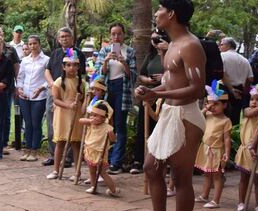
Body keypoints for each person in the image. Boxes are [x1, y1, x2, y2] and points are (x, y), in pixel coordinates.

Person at [133, 0, 206, 211]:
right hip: (169, 114)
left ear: (172, 14)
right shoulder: (172, 44)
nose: (156, 14)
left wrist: (158, 94)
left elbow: (198, 89)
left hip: (186, 116)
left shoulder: (190, 45)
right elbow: (172, 80)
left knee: (180, 176)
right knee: (152, 167)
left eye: (160, 9)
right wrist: (152, 88)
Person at [93, 23, 137, 174]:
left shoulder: (129, 51)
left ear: (124, 35)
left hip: (122, 90)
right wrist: (106, 61)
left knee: (119, 125)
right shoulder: (105, 50)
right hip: (107, 89)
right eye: (113, 34)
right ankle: (105, 158)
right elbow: (99, 73)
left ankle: (116, 162)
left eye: (119, 34)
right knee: (105, 122)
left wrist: (123, 62)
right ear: (110, 35)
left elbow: (133, 76)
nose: (116, 37)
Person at [43, 28, 86, 165]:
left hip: (71, 92)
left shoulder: (76, 53)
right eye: (62, 36)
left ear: (72, 38)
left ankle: (67, 158)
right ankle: (54, 155)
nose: (64, 38)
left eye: (67, 36)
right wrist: (52, 84)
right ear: (58, 39)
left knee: (70, 127)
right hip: (55, 90)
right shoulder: (55, 53)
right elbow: (47, 70)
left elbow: (82, 73)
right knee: (53, 124)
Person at [133, 31, 170, 174]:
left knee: (161, 126)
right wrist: (147, 81)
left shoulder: (170, 55)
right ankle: (139, 159)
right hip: (149, 95)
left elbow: (175, 74)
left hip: (165, 95)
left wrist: (164, 77)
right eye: (153, 39)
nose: (156, 41)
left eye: (159, 38)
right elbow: (141, 74)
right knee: (144, 127)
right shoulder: (151, 56)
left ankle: (162, 161)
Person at [193, 82, 232, 208]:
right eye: (210, 104)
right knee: (207, 173)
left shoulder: (225, 121)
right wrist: (206, 108)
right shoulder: (208, 115)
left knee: (217, 176)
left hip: (216, 152)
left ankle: (216, 200)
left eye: (216, 104)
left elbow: (227, 138)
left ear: (224, 105)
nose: (213, 107)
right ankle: (204, 195)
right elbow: (198, 116)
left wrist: (227, 152)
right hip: (205, 149)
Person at [235, 84, 258, 211]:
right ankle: (241, 202)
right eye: (252, 99)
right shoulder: (247, 112)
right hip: (246, 151)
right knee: (244, 178)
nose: (254, 102)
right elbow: (250, 113)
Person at [48, 49, 84, 179]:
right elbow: (56, 100)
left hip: (76, 114)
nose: (72, 68)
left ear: (78, 67)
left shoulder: (81, 82)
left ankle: (77, 172)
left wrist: (81, 101)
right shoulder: (58, 82)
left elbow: (84, 98)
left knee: (75, 143)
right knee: (60, 142)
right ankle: (56, 170)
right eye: (68, 65)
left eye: (75, 65)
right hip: (62, 114)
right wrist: (68, 105)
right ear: (63, 67)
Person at [16, 34, 49, 161]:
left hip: (39, 96)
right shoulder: (25, 60)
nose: (32, 46)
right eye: (30, 44)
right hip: (25, 95)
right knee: (27, 123)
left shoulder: (46, 60)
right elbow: (20, 77)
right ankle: (27, 148)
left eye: (35, 43)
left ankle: (34, 150)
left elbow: (49, 78)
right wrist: (19, 89)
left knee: (36, 123)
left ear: (39, 44)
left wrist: (41, 88)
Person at [79, 99, 119, 195]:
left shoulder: (107, 127)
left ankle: (113, 190)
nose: (93, 117)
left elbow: (113, 140)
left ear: (104, 118)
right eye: (92, 115)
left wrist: (110, 134)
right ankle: (93, 187)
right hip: (90, 150)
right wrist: (90, 120)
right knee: (92, 171)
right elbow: (80, 120)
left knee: (102, 172)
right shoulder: (91, 123)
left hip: (100, 153)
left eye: (96, 116)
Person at [218, 37, 253, 125]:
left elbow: (221, 74)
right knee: (235, 118)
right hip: (240, 90)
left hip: (222, 89)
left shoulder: (221, 55)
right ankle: (233, 136)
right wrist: (244, 93)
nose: (219, 46)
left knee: (220, 116)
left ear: (229, 45)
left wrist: (231, 89)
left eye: (221, 44)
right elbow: (250, 79)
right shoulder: (244, 60)